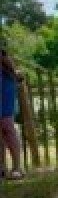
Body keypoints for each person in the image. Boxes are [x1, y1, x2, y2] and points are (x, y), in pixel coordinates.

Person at [1, 48, 23, 180]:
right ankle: (2, 168)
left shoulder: (7, 68)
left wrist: (14, 71)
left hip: (5, 103)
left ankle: (16, 168)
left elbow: (18, 76)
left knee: (9, 131)